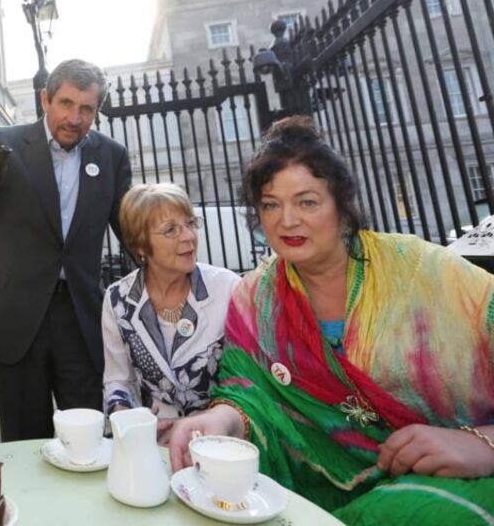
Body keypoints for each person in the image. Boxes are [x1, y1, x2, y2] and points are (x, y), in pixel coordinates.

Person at [169, 116, 494, 525]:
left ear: (342, 206)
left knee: (411, 513)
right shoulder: (257, 299)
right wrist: (218, 420)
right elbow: (248, 393)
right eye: (270, 204)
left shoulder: (422, 271)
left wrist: (482, 444)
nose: (286, 221)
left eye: (307, 202)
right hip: (312, 481)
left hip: (446, 477)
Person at [0, 59, 132, 441]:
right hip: (13, 316)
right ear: (45, 99)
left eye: (87, 109)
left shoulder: (112, 156)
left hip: (80, 318)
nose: (75, 117)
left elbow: (131, 232)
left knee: (85, 436)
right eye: (66, 103)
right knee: (22, 438)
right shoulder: (6, 142)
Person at [102, 183, 239, 444]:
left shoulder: (228, 288)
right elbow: (118, 379)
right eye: (171, 230)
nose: (188, 236)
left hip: (219, 441)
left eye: (190, 223)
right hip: (155, 444)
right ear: (141, 245)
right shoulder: (117, 299)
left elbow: (247, 381)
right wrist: (126, 420)